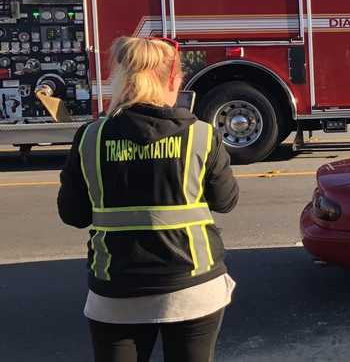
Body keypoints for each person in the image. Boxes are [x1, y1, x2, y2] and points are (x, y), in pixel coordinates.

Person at [58, 36, 239, 362]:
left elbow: (73, 215)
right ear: (173, 79)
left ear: (123, 79)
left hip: (116, 289)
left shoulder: (90, 138)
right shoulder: (202, 135)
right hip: (193, 286)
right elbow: (225, 201)